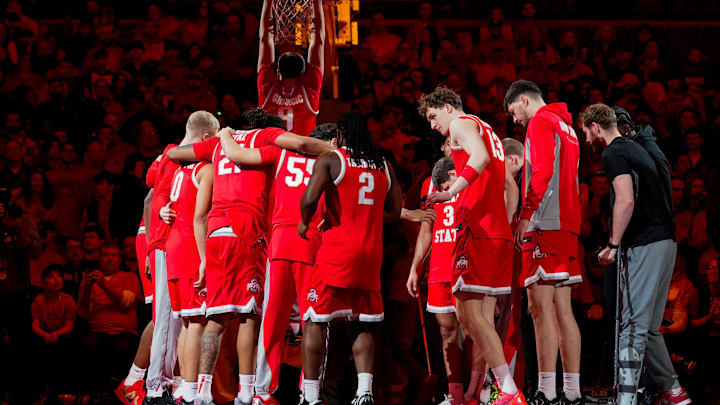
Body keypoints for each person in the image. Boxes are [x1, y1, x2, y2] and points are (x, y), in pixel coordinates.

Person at [166, 108, 331, 405]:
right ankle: (246, 392)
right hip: (247, 231)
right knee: (248, 315)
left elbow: (175, 154)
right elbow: (302, 145)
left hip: (216, 233)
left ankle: (199, 391)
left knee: (215, 317)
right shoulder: (267, 139)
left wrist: (223, 135)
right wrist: (335, 149)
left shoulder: (218, 142)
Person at [215, 123, 337, 404]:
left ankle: (261, 393)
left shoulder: (279, 152)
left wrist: (224, 134)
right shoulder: (334, 161)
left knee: (272, 320)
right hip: (313, 243)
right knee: (315, 320)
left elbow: (236, 156)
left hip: (280, 240)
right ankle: (310, 394)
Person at [419, 87, 525, 404]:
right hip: (494, 233)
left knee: (468, 313)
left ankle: (505, 389)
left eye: (433, 116)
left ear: (448, 108)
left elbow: (476, 157)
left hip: (477, 231)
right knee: (479, 315)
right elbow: (509, 186)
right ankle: (493, 389)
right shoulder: (488, 129)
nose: (433, 125)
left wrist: (453, 192)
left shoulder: (461, 125)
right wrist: (503, 226)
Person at [580, 104, 691, 405]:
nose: (586, 140)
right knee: (649, 329)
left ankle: (626, 400)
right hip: (666, 244)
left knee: (631, 327)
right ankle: (676, 394)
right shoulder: (640, 148)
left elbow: (625, 200)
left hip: (646, 244)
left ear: (595, 126)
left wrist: (613, 245)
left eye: (586, 132)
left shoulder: (614, 151)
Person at [298, 111, 403, 405]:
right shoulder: (383, 164)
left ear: (341, 135)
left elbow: (309, 199)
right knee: (362, 323)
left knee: (315, 319)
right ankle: (364, 391)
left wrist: (305, 221)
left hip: (338, 253)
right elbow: (395, 213)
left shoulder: (333, 159)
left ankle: (309, 395)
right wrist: (365, 216)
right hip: (371, 256)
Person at [504, 80, 583, 404]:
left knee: (539, 310)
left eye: (513, 112)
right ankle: (573, 391)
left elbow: (542, 173)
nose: (515, 121)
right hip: (567, 225)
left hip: (543, 224)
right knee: (563, 310)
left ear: (524, 100)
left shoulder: (540, 122)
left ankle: (547, 390)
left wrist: (525, 215)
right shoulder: (568, 128)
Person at [144, 111, 220, 405]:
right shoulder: (190, 164)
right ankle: (159, 387)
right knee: (179, 319)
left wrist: (163, 209)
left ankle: (177, 386)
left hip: (169, 242)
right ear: (205, 139)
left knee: (184, 321)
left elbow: (154, 191)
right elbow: (197, 215)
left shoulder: (173, 160)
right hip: (178, 244)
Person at [159, 156, 214, 405]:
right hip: (191, 248)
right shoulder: (206, 169)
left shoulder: (181, 170)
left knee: (187, 322)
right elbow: (199, 217)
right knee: (198, 323)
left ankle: (182, 388)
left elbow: (164, 202)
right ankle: (191, 392)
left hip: (174, 247)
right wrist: (205, 259)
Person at [77, 242, 142, 389]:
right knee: (87, 343)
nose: (109, 259)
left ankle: (118, 391)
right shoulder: (90, 280)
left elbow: (125, 304)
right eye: (105, 255)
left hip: (123, 332)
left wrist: (103, 283)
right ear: (99, 260)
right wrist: (87, 290)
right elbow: (82, 312)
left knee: (121, 346)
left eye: (114, 255)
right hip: (96, 331)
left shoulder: (130, 277)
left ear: (120, 259)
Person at [257, 0, 324, 136]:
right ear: (302, 73)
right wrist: (317, 3)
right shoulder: (310, 89)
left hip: (272, 154)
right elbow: (319, 40)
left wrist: (267, 2)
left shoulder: (268, 88)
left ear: (278, 72)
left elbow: (265, 38)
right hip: (301, 155)